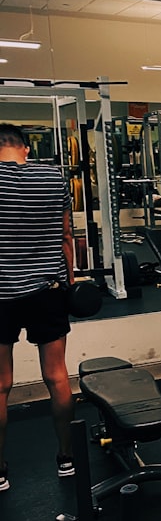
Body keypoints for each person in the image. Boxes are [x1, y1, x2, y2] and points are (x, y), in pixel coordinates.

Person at [0, 123, 76, 492]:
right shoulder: (53, 178)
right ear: (25, 149)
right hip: (48, 289)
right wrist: (72, 281)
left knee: (0, 386)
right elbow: (65, 235)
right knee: (58, 376)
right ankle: (67, 459)